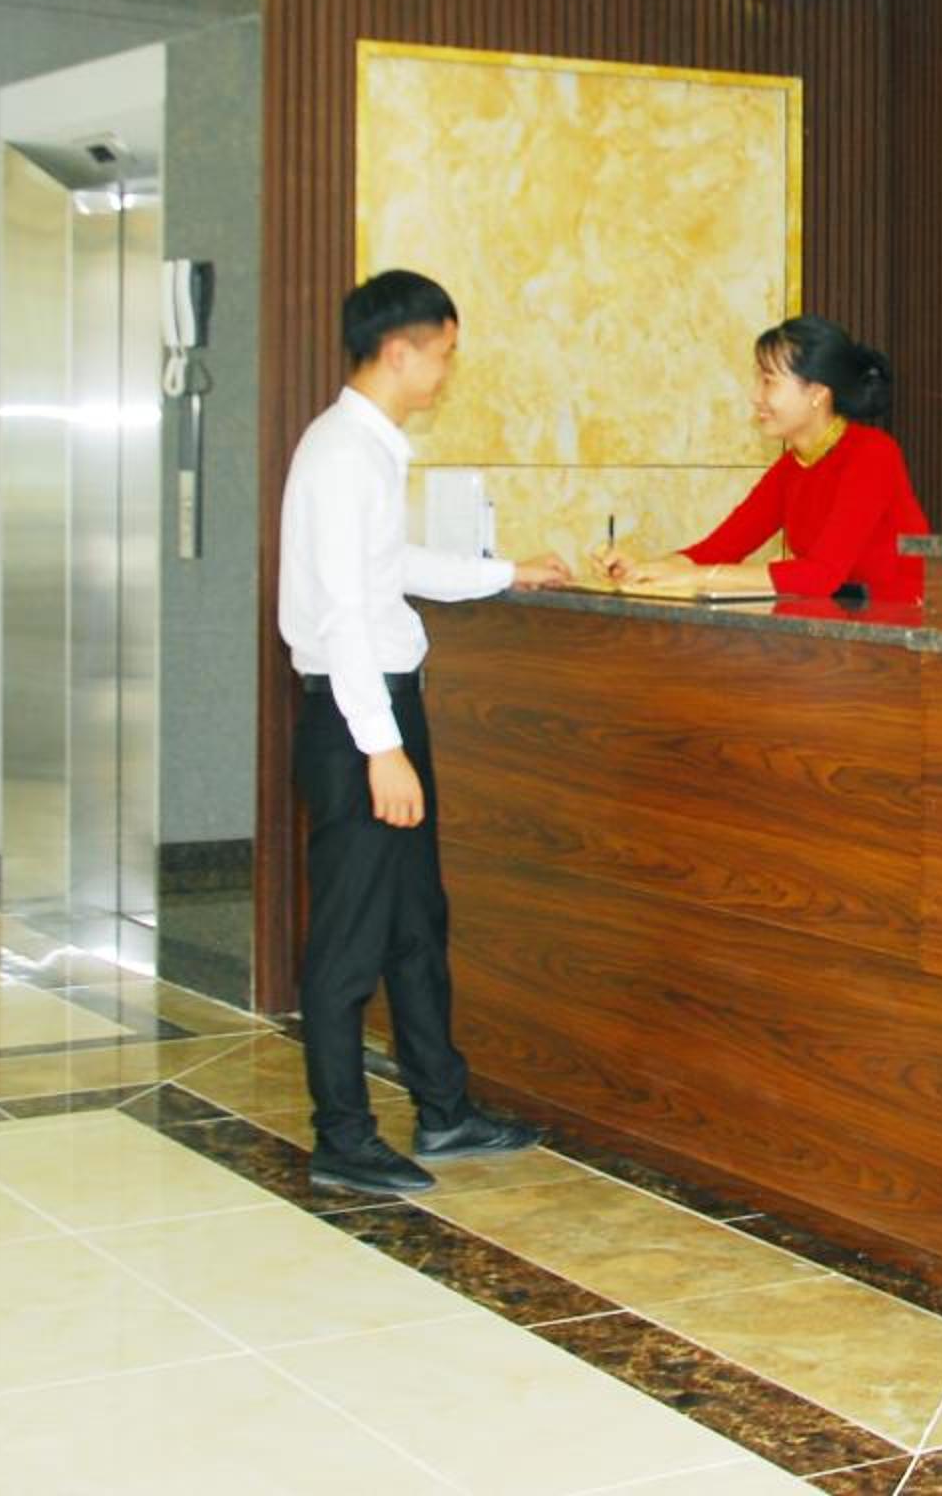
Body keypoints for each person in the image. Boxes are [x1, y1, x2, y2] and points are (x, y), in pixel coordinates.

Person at [278, 268, 573, 1194]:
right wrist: (382, 747)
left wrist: (503, 573)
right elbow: (342, 615)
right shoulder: (342, 455)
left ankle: (444, 1108)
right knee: (350, 936)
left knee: (414, 921)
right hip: (357, 719)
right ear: (400, 351)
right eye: (442, 354)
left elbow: (387, 566)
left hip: (379, 708)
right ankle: (342, 1135)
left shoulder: (366, 449)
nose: (446, 372)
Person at [603, 315, 930, 602]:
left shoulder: (873, 454)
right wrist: (645, 570)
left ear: (817, 392)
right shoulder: (791, 466)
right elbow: (717, 550)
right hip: (836, 630)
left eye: (769, 381)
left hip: (903, 631)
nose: (755, 396)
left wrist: (697, 577)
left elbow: (820, 575)